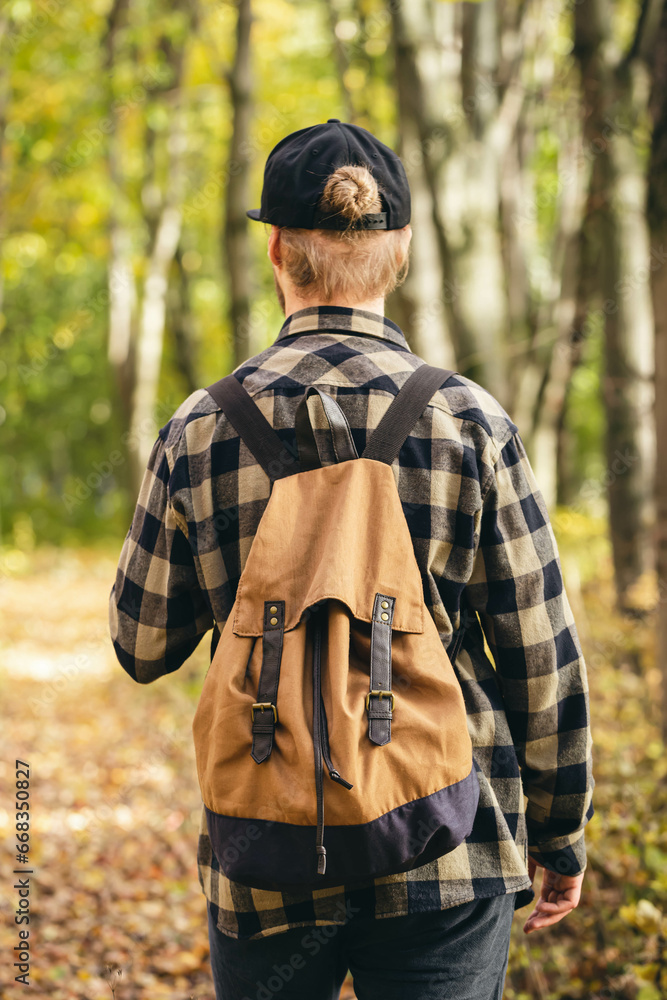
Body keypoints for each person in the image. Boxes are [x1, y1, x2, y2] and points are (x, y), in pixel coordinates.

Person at [109, 119, 594, 1000]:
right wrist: (559, 837)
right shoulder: (468, 421)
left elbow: (141, 644)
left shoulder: (200, 428)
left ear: (277, 250)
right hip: (448, 842)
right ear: (399, 248)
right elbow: (540, 657)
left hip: (266, 843)